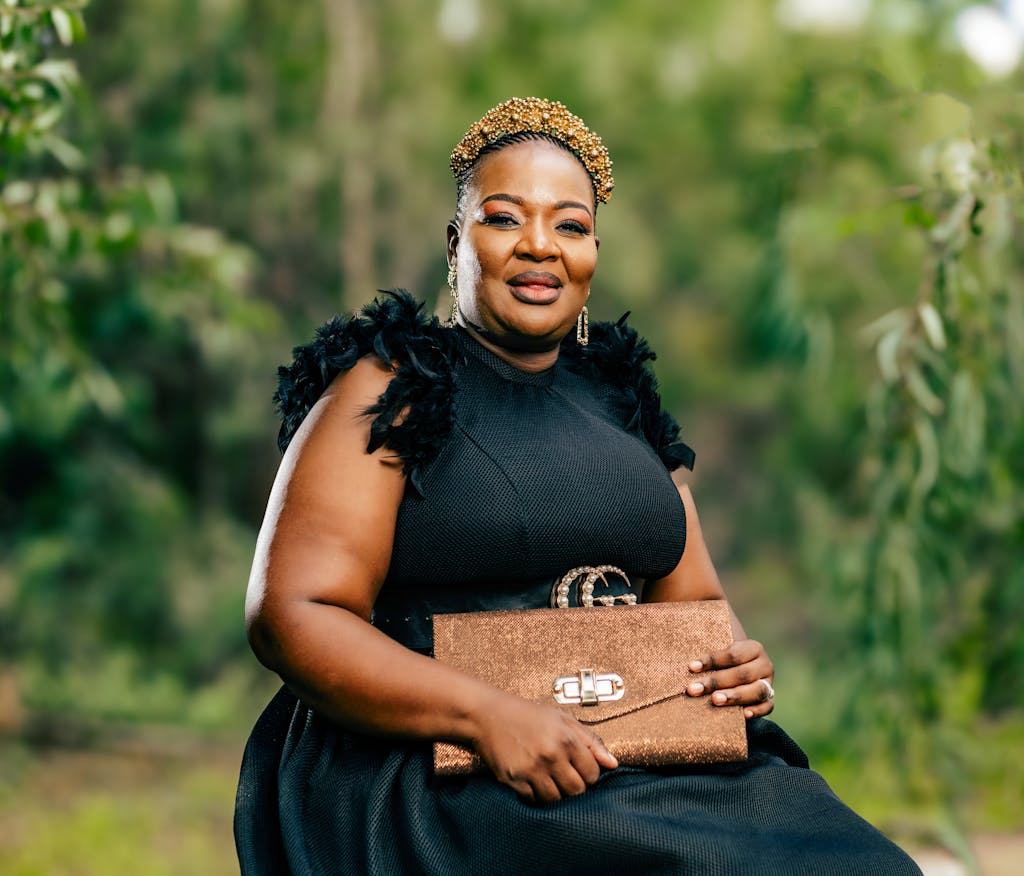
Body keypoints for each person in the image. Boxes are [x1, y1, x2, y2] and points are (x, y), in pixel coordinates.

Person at [234, 97, 921, 875]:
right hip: (440, 764)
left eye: (569, 225)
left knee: (860, 863)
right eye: (504, 219)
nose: (540, 246)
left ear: (593, 252)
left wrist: (734, 667)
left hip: (637, 742)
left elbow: (696, 607)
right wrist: (487, 717)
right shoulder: (390, 385)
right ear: (457, 244)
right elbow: (292, 615)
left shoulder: (621, 398)